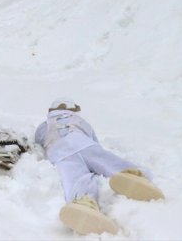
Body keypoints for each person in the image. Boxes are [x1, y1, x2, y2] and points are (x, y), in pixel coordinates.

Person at [34, 98, 164, 235]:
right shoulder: (81, 122)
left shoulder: (43, 126)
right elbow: (93, 139)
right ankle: (132, 174)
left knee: (76, 179)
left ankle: (84, 201)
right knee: (106, 161)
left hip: (61, 154)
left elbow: (38, 145)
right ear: (74, 110)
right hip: (85, 144)